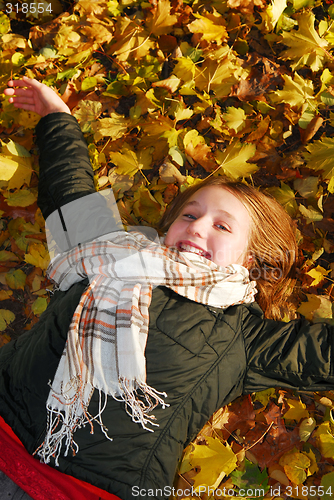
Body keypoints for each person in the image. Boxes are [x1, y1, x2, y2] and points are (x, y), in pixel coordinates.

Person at [1, 77, 334, 500]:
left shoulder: (244, 337)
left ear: (251, 258)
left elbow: (321, 354)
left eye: (221, 226)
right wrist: (57, 117)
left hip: (82, 489)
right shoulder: (111, 253)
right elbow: (69, 190)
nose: (196, 226)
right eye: (189, 215)